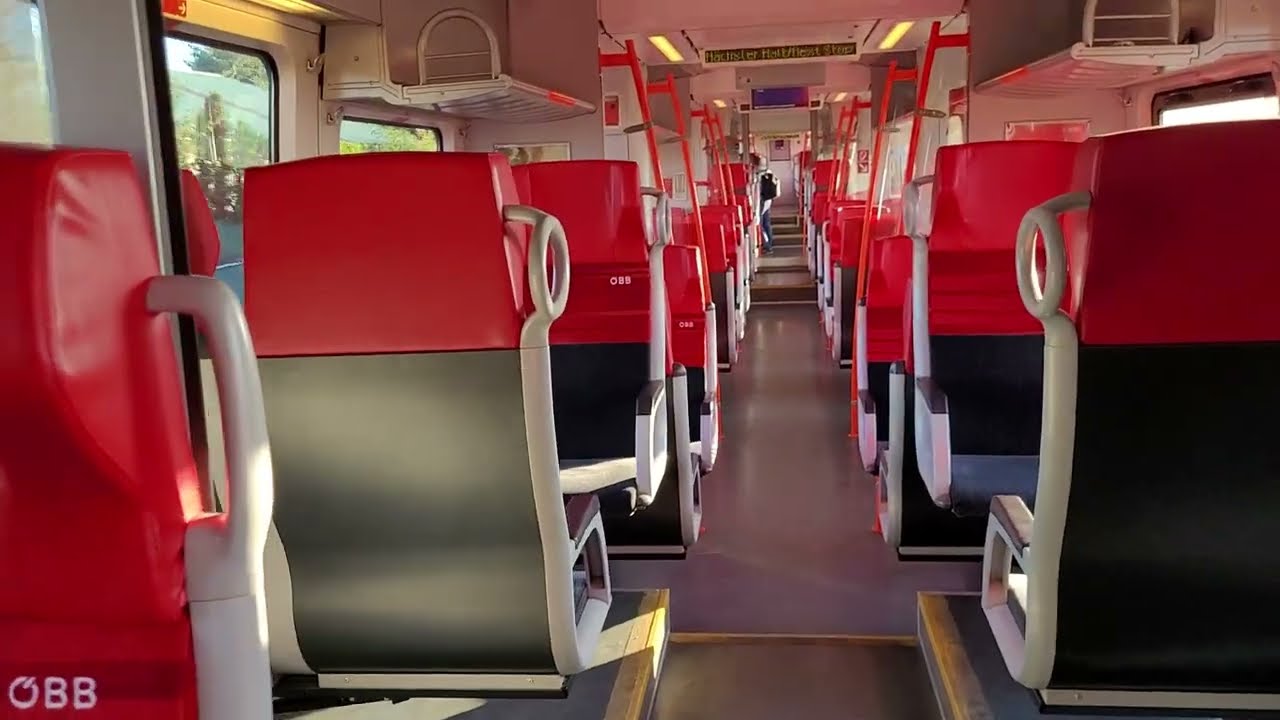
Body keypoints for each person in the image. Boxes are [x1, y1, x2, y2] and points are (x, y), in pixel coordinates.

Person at [753, 152, 779, 253]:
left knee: (760, 224)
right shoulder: (768, 172)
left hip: (761, 200)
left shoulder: (756, 175)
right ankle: (770, 242)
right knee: (766, 223)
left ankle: (767, 245)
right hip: (768, 200)